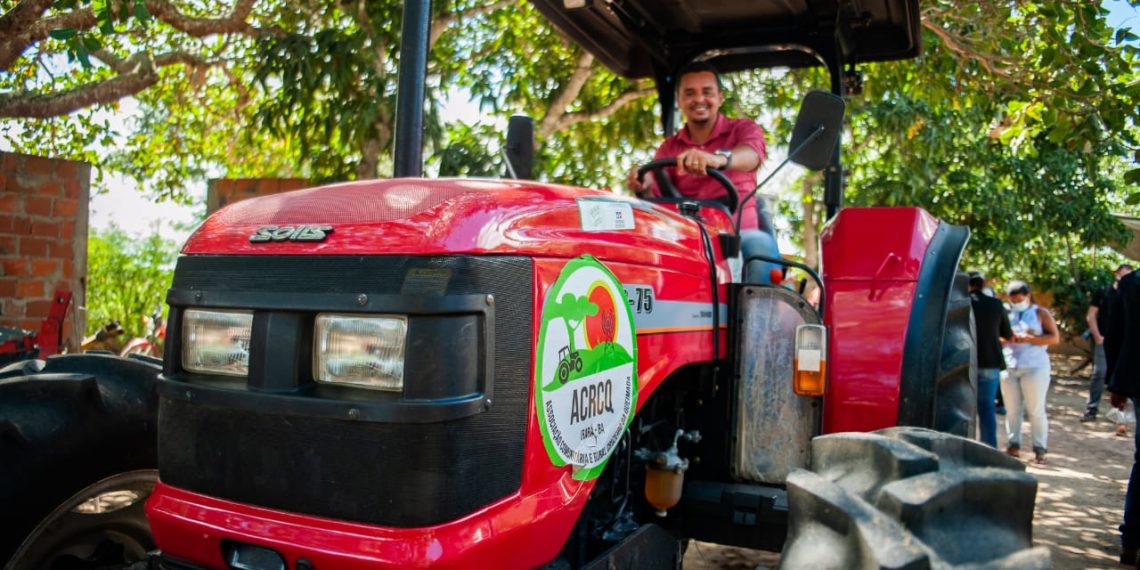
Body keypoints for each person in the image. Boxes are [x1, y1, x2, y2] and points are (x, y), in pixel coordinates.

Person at [626, 62, 780, 282]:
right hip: (688, 238)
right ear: (679, 101)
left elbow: (752, 155)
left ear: (720, 97)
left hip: (737, 236)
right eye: (690, 93)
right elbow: (656, 198)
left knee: (760, 248)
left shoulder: (743, 130)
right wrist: (643, 183)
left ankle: (758, 316)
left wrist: (719, 159)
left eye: (707, 92)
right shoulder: (669, 149)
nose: (699, 99)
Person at [1000, 280, 1060, 465]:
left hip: (1035, 366)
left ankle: (1039, 448)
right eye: (1013, 299)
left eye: (1019, 299)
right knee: (1012, 410)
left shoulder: (1040, 313)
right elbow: (997, 335)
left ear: (1027, 296)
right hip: (1009, 365)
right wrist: (1005, 339)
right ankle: (1013, 444)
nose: (1016, 302)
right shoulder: (1006, 312)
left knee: (1035, 410)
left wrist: (1031, 339)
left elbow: (1054, 338)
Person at [1106, 268, 1140, 565]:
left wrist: (1115, 383)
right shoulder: (1129, 285)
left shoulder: (1130, 284)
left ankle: (1131, 541)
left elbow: (1114, 336)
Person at [1083, 263, 1134, 424]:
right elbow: (1091, 315)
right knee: (1099, 373)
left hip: (1126, 343)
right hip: (1104, 339)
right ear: (1116, 274)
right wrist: (1097, 336)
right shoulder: (1104, 291)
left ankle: (1121, 417)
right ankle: (1092, 409)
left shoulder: (1131, 293)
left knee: (1125, 376)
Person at [969, 272, 1013, 448]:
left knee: (963, 410)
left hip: (963, 365)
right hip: (990, 362)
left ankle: (961, 448)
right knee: (987, 408)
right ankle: (988, 448)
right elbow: (1007, 334)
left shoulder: (960, 304)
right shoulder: (995, 304)